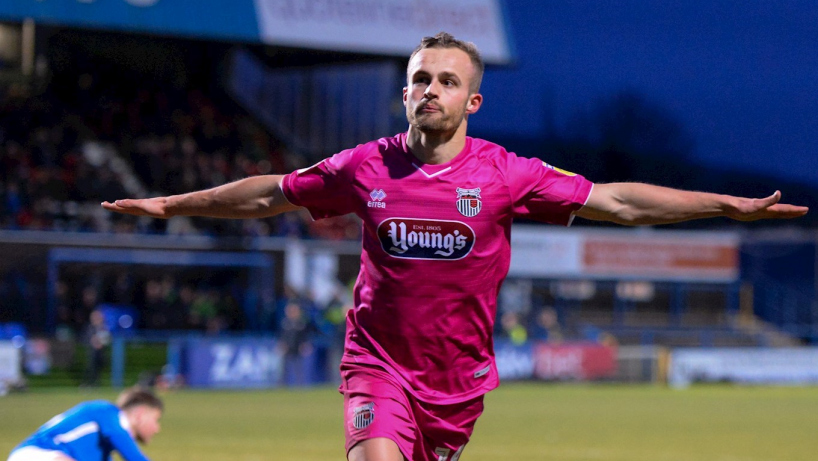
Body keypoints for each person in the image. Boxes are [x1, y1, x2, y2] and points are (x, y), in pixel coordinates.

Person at [102, 32, 808, 461]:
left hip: (457, 383)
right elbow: (269, 193)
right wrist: (170, 203)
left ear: (473, 101)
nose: (429, 89)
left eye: (446, 80)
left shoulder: (507, 174)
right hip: (377, 364)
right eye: (419, 79)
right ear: (403, 93)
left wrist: (726, 204)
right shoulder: (364, 166)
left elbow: (616, 200)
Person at [7, 386, 163, 461]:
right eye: (155, 420)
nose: (157, 428)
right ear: (140, 414)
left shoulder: (104, 453)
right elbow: (133, 455)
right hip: (35, 455)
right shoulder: (107, 412)